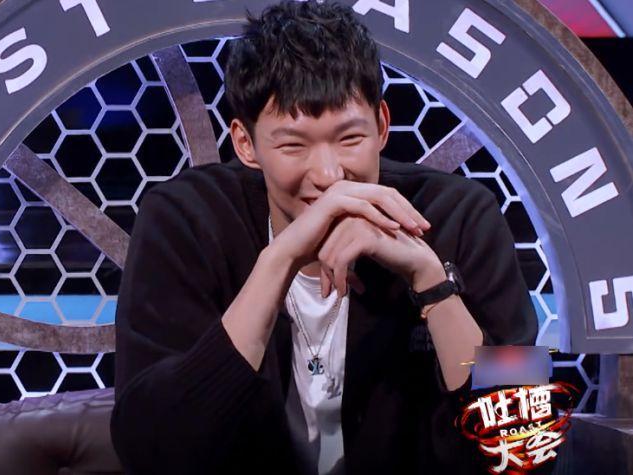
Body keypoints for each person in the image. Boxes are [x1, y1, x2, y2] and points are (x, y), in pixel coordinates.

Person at [110, 1, 539, 474]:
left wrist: (432, 282)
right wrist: (278, 261)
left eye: (349, 139)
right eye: (293, 145)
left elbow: (526, 448)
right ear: (246, 144)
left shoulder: (460, 216)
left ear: (381, 125)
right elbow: (151, 451)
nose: (330, 176)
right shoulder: (185, 220)